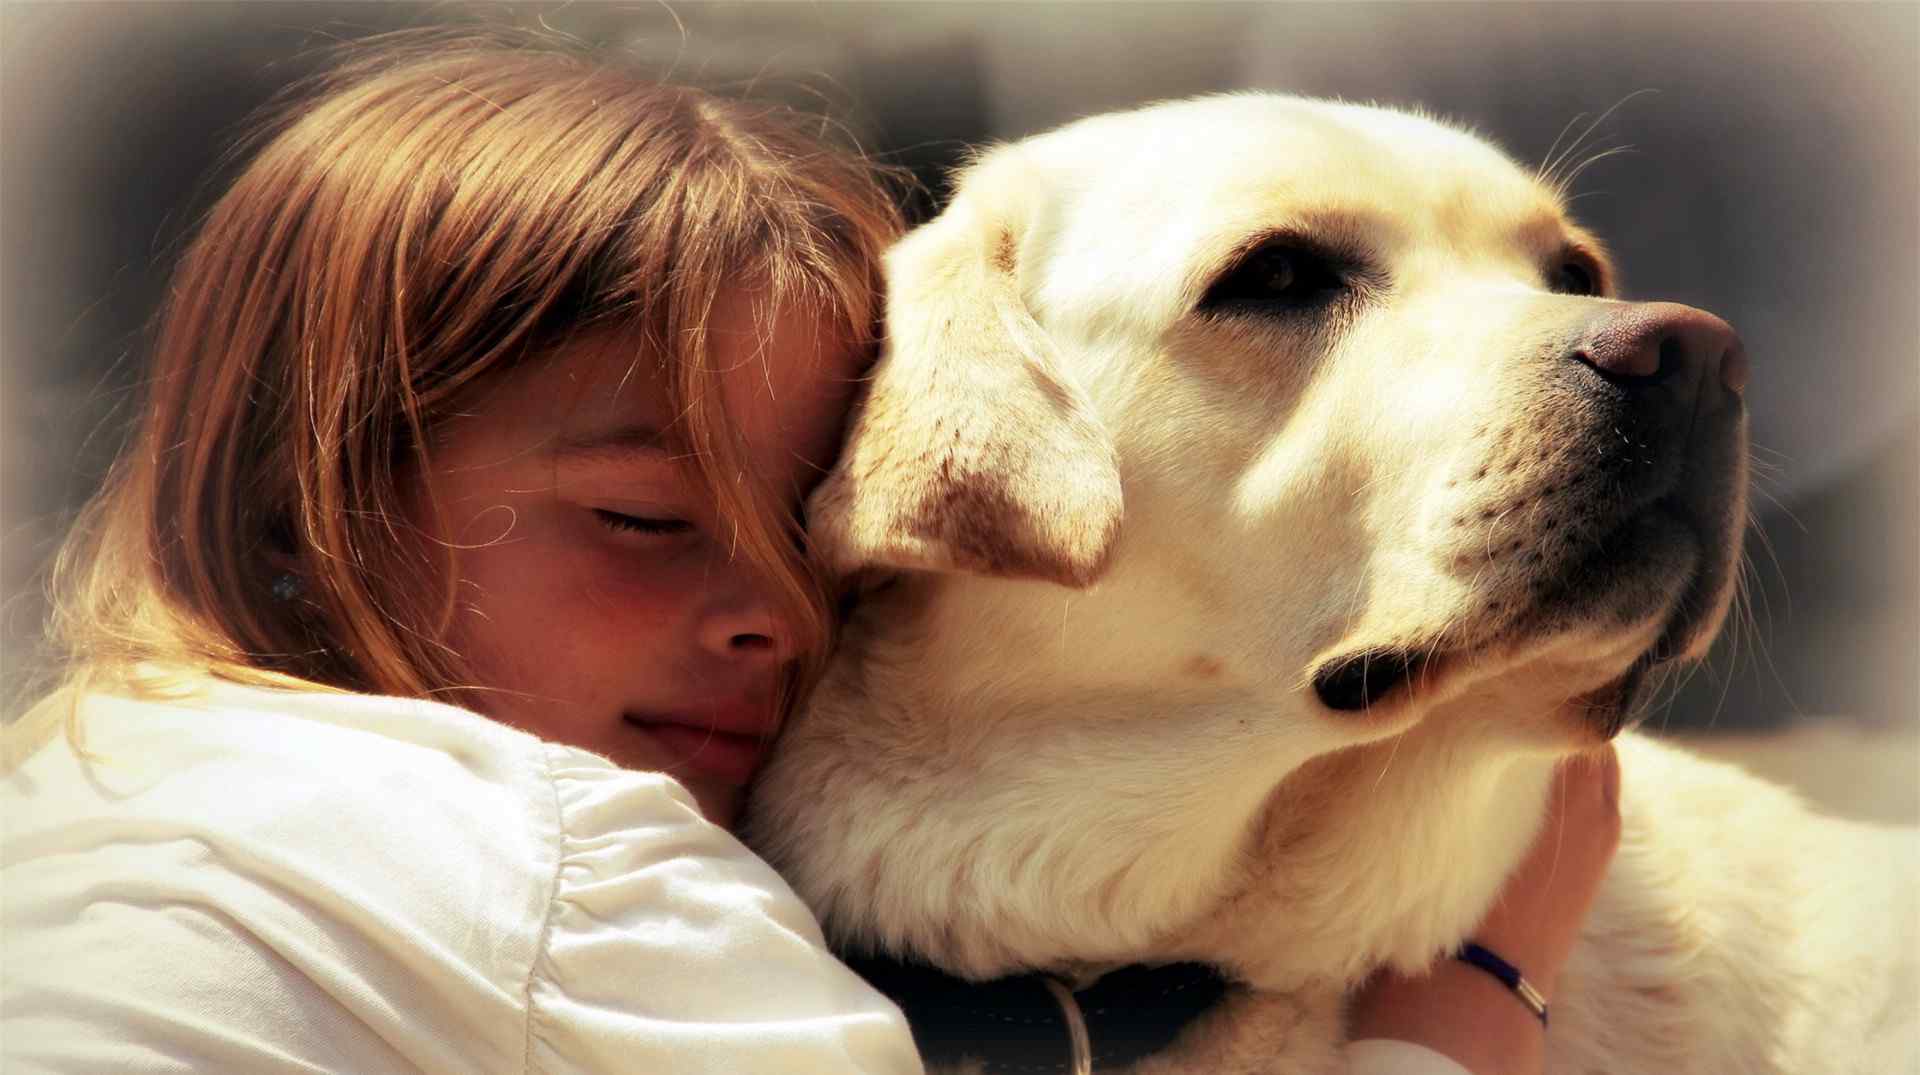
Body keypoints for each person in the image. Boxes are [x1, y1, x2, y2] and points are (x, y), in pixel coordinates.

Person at [1, 30, 1620, 1075]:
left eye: (826, 536)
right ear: (305, 514)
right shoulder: (566, 866)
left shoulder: (87, 788)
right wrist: (1475, 1002)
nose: (779, 618)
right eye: (642, 521)